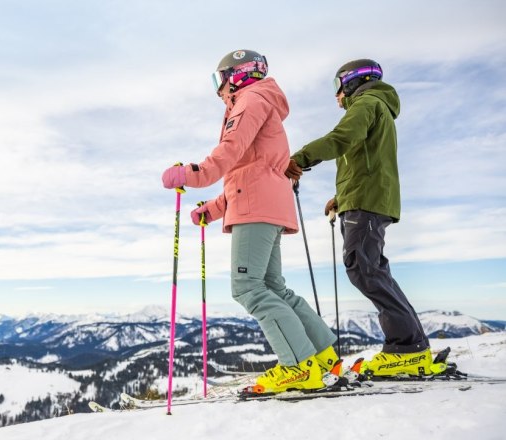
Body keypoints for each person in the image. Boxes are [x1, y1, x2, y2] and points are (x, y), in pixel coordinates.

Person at [162, 49, 341, 394]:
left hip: (256, 209)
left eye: (220, 79)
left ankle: (299, 367)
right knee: (274, 287)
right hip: (265, 204)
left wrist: (191, 173)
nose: (219, 90)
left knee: (248, 288)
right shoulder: (263, 102)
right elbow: (250, 171)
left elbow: (229, 152)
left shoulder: (250, 100)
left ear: (239, 74)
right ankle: (323, 358)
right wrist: (212, 210)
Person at [285, 59, 446, 378]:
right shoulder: (376, 105)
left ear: (352, 82)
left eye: (337, 87)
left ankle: (406, 347)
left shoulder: (366, 103)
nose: (336, 96)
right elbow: (365, 160)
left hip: (367, 200)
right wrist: (342, 198)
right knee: (371, 269)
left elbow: (340, 139)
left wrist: (298, 158)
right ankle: (412, 345)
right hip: (365, 197)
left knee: (363, 268)